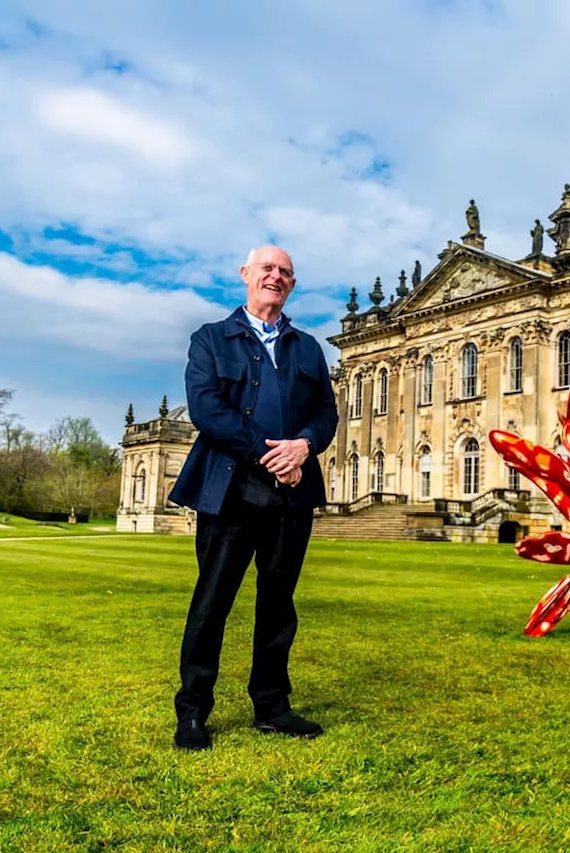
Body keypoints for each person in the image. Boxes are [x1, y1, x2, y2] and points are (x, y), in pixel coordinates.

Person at [168, 245, 339, 751]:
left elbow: (326, 413)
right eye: (267, 268)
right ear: (246, 275)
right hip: (232, 489)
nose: (276, 276)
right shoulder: (212, 339)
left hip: (293, 492)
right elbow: (207, 411)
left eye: (285, 272)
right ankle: (194, 711)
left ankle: (272, 705)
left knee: (278, 606)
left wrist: (304, 445)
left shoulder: (307, 347)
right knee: (212, 604)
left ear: (292, 283)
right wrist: (272, 456)